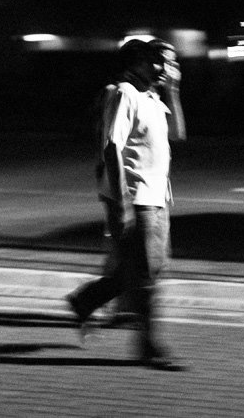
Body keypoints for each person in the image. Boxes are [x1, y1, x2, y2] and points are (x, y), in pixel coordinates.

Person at [66, 39, 187, 371]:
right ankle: (149, 347)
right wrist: (123, 204)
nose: (165, 69)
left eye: (172, 63)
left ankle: (85, 300)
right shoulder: (123, 94)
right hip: (135, 198)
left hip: (158, 196)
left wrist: (173, 92)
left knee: (148, 268)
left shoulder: (153, 98)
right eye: (160, 62)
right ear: (140, 61)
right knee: (147, 274)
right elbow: (111, 147)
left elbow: (178, 134)